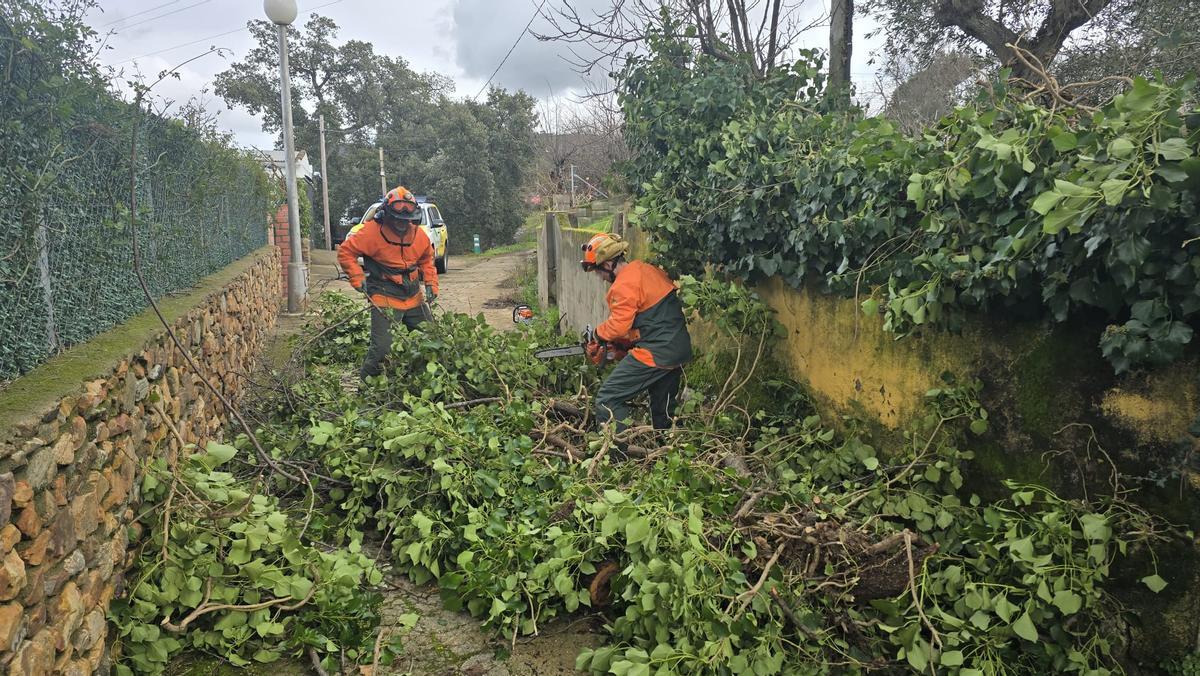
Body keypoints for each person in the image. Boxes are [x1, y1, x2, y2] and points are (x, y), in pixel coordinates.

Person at [581, 232, 692, 432]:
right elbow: (652, 319)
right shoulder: (647, 270)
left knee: (608, 398)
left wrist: (597, 334)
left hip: (657, 351)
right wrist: (620, 346)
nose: (600, 278)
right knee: (664, 411)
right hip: (677, 348)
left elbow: (618, 325)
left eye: (599, 271)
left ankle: (615, 449)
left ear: (608, 264)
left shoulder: (624, 284)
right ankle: (670, 445)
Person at [337, 186, 439, 380]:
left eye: (406, 220)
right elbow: (346, 252)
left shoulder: (418, 235)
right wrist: (357, 277)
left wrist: (431, 283)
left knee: (432, 340)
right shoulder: (371, 233)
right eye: (398, 219)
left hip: (413, 295)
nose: (402, 224)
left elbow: (427, 258)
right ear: (386, 215)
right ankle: (366, 390)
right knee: (383, 349)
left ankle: (423, 381)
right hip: (384, 294)